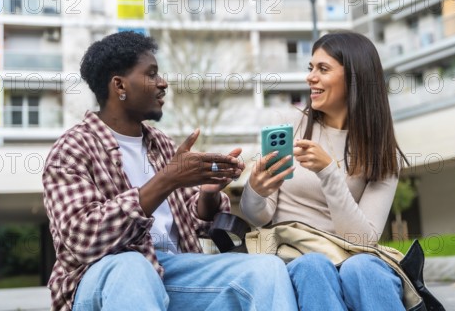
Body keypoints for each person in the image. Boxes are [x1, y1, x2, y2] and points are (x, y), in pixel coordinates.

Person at [42, 31, 297, 311]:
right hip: (100, 277)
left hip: (173, 271)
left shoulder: (161, 144)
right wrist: (167, 179)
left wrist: (208, 194)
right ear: (119, 86)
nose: (163, 83)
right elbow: (84, 238)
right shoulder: (72, 149)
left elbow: (198, 222)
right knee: (132, 265)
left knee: (266, 270)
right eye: (151, 74)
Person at [240, 31, 409, 311]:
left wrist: (329, 172)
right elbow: (259, 216)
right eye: (310, 68)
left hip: (351, 256)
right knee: (314, 265)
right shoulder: (289, 125)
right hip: (295, 255)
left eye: (323, 69)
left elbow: (363, 241)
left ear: (354, 78)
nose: (310, 77)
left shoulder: (382, 151)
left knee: (364, 268)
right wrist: (256, 190)